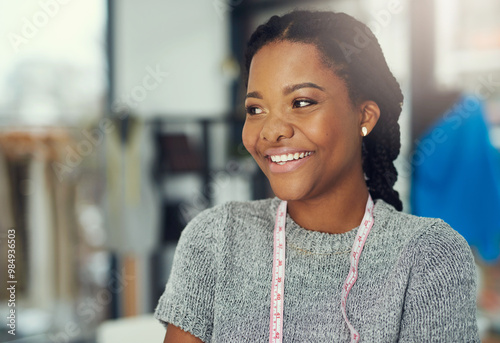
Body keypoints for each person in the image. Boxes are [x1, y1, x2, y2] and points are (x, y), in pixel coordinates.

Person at [155, 10, 479, 342]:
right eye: (255, 109)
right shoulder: (215, 239)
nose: (271, 131)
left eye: (302, 102)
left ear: (363, 116)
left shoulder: (427, 256)